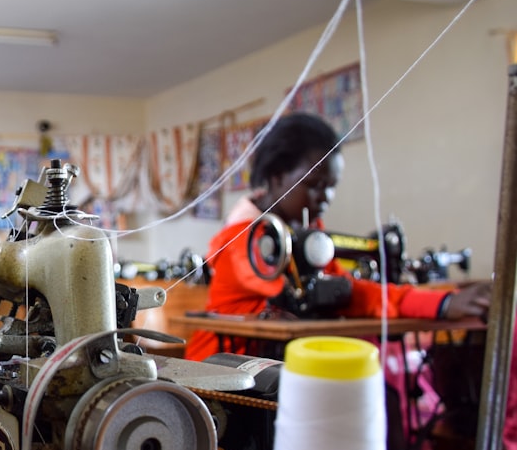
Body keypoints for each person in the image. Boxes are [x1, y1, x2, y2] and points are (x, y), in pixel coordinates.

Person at [185, 112, 491, 362]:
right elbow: (324, 294)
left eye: (332, 186)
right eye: (315, 184)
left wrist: (445, 300)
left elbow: (344, 287)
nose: (326, 196)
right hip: (219, 382)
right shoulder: (241, 242)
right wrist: (441, 303)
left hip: (272, 370)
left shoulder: (305, 235)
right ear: (277, 177)